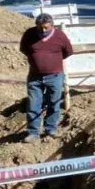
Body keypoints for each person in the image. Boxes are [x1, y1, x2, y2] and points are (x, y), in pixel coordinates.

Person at [19, 13, 73, 143]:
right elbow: (24, 49)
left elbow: (68, 51)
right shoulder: (29, 34)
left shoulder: (60, 36)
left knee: (53, 104)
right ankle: (33, 133)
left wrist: (52, 62)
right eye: (40, 28)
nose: (43, 30)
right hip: (35, 77)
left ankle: (51, 130)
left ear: (51, 26)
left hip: (55, 76)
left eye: (46, 28)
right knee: (33, 104)